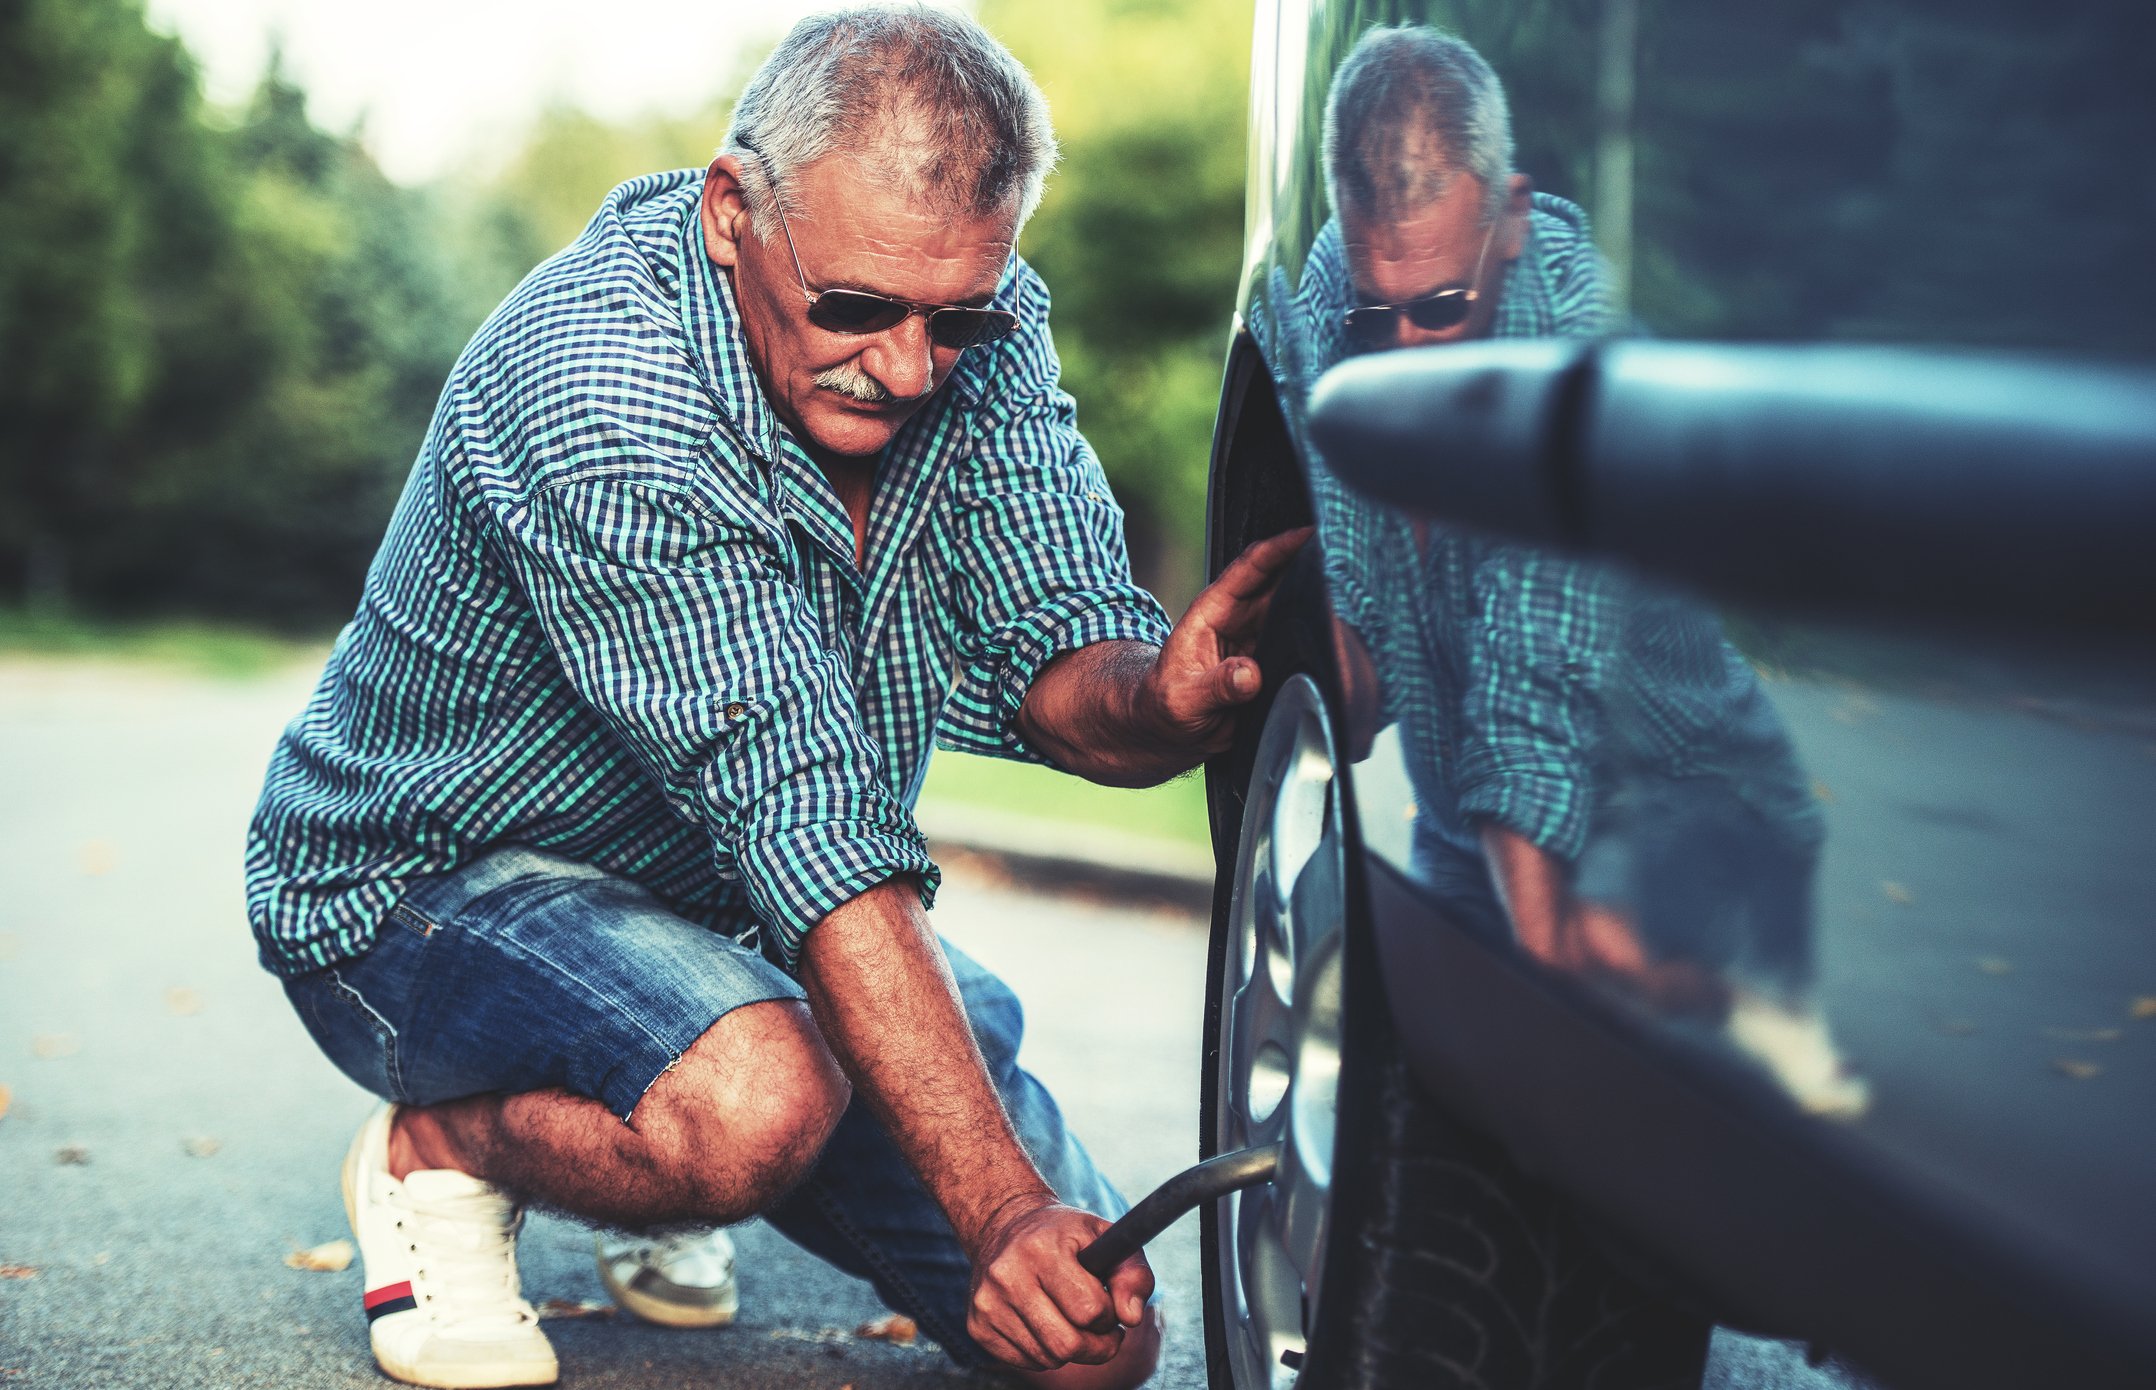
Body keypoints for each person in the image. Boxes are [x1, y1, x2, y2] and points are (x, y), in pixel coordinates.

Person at [245, 9, 1304, 1387]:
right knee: (758, 1100)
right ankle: (442, 1149)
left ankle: (671, 1096)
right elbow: (805, 817)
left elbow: (1057, 641)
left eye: (959, 317)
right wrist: (999, 1205)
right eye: (859, 308)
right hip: (422, 887)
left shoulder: (972, 326)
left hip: (718, 905)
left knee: (1089, 1348)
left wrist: (1155, 697)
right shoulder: (598, 385)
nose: (914, 367)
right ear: (734, 210)